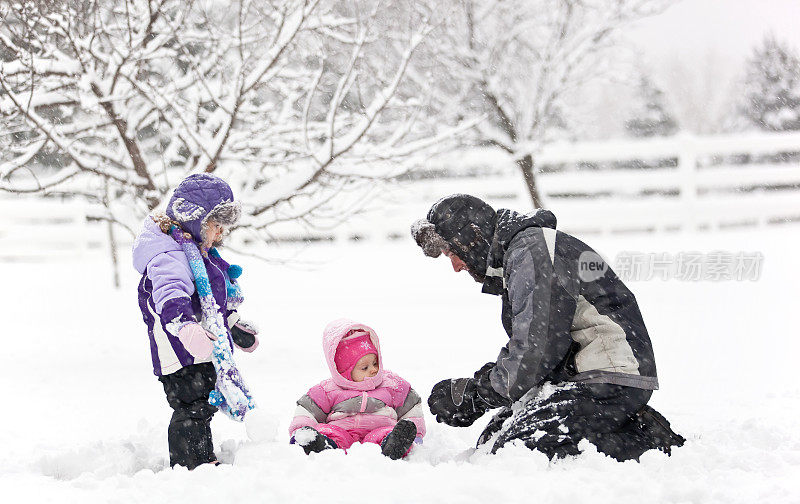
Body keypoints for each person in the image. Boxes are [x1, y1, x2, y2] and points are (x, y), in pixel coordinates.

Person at [411, 194, 684, 461]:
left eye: (452, 254)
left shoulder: (531, 251)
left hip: (607, 375)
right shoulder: (523, 253)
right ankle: (621, 423)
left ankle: (646, 440)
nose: (456, 267)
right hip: (577, 378)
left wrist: (478, 395)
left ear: (473, 237)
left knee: (520, 450)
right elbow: (537, 344)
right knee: (493, 439)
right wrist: (481, 386)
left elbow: (538, 347)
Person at [132, 173, 260, 469]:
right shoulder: (168, 255)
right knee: (190, 405)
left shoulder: (196, 251)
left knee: (203, 403)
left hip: (201, 343)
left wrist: (232, 325)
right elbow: (170, 296)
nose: (221, 234)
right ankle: (191, 464)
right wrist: (186, 328)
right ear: (196, 220)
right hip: (177, 348)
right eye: (217, 226)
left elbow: (210, 301)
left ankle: (204, 458)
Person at [288, 318, 426, 460]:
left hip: (378, 429)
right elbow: (306, 410)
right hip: (342, 430)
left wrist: (415, 433)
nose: (373, 370)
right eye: (364, 367)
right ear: (343, 372)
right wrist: (300, 429)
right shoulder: (328, 389)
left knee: (386, 433)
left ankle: (394, 443)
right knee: (328, 431)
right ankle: (320, 443)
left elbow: (411, 407)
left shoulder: (391, 384)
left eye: (375, 363)